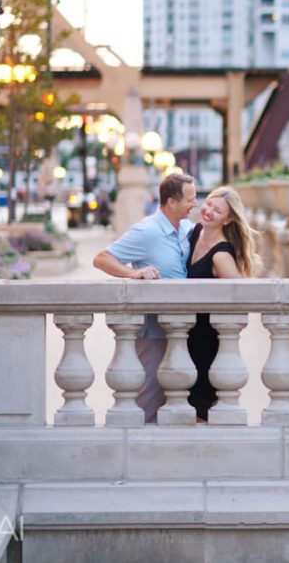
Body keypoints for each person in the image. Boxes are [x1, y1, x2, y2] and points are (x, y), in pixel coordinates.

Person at [93, 172, 197, 423]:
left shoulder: (188, 228)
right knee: (148, 398)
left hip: (185, 330)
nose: (194, 204)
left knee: (178, 401)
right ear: (171, 202)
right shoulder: (146, 231)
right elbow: (101, 258)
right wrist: (133, 272)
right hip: (153, 332)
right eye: (189, 200)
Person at [185, 186, 257, 420]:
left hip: (205, 339)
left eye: (217, 211)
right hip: (185, 332)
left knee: (201, 405)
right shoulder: (195, 232)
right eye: (208, 204)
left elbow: (239, 297)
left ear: (227, 220)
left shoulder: (221, 255)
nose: (208, 211)